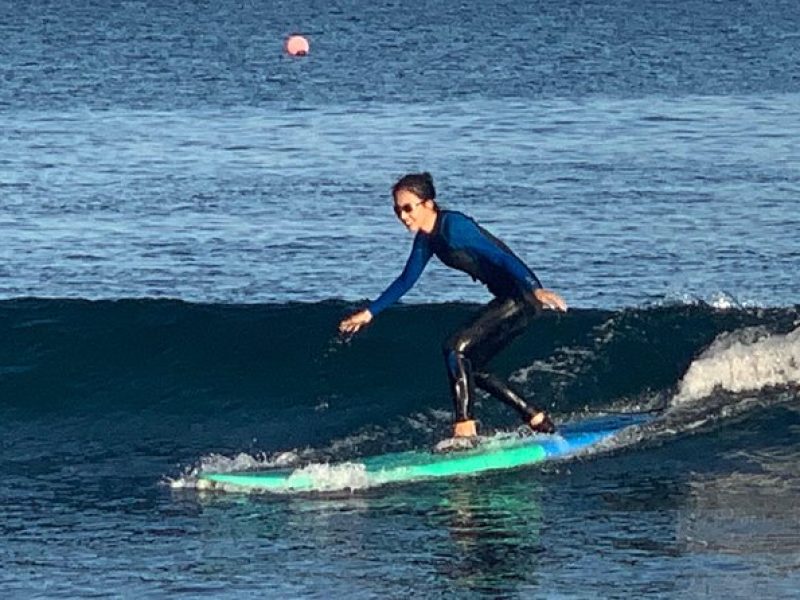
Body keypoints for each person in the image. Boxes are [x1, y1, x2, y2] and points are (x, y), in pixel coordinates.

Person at [339, 172, 567, 439]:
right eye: (397, 210)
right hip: (509, 297)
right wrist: (369, 313)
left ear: (428, 204)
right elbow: (406, 280)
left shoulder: (454, 226)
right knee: (474, 367)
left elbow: (502, 257)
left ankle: (465, 427)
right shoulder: (427, 239)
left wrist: (534, 287)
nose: (402, 215)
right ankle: (536, 418)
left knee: (454, 349)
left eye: (407, 207)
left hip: (521, 296)